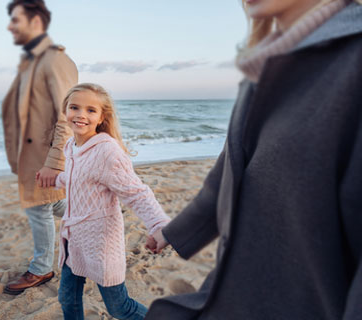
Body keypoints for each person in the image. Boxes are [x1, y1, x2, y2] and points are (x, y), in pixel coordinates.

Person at [145, 0, 362, 319]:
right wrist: (174, 231)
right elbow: (234, 168)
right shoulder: (264, 67)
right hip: (232, 293)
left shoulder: (353, 63)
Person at [55, 83, 171, 320]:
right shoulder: (71, 146)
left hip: (100, 243)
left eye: (90, 110)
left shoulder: (108, 152)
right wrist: (57, 178)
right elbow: (82, 177)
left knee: (120, 308)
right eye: (74, 107)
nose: (81, 115)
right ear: (65, 109)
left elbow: (136, 193)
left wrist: (159, 226)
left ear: (101, 117)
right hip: (73, 238)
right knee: (67, 297)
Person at [1, 0, 78, 296]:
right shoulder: (32, 61)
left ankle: (42, 267)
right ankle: (92, 212)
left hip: (45, 154)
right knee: (48, 202)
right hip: (31, 154)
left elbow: (67, 115)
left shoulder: (54, 61)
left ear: (35, 22)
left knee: (38, 207)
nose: (10, 26)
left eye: (16, 19)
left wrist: (55, 162)